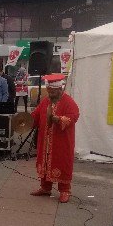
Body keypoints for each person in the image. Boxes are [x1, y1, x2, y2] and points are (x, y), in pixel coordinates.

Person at [30, 74, 80, 203]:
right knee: (45, 163)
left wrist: (57, 119)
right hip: (45, 140)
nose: (50, 94)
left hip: (61, 141)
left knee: (62, 163)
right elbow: (35, 115)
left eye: (52, 91)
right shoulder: (46, 101)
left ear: (59, 89)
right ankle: (45, 188)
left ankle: (64, 191)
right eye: (49, 91)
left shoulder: (69, 102)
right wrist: (24, 120)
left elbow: (73, 117)